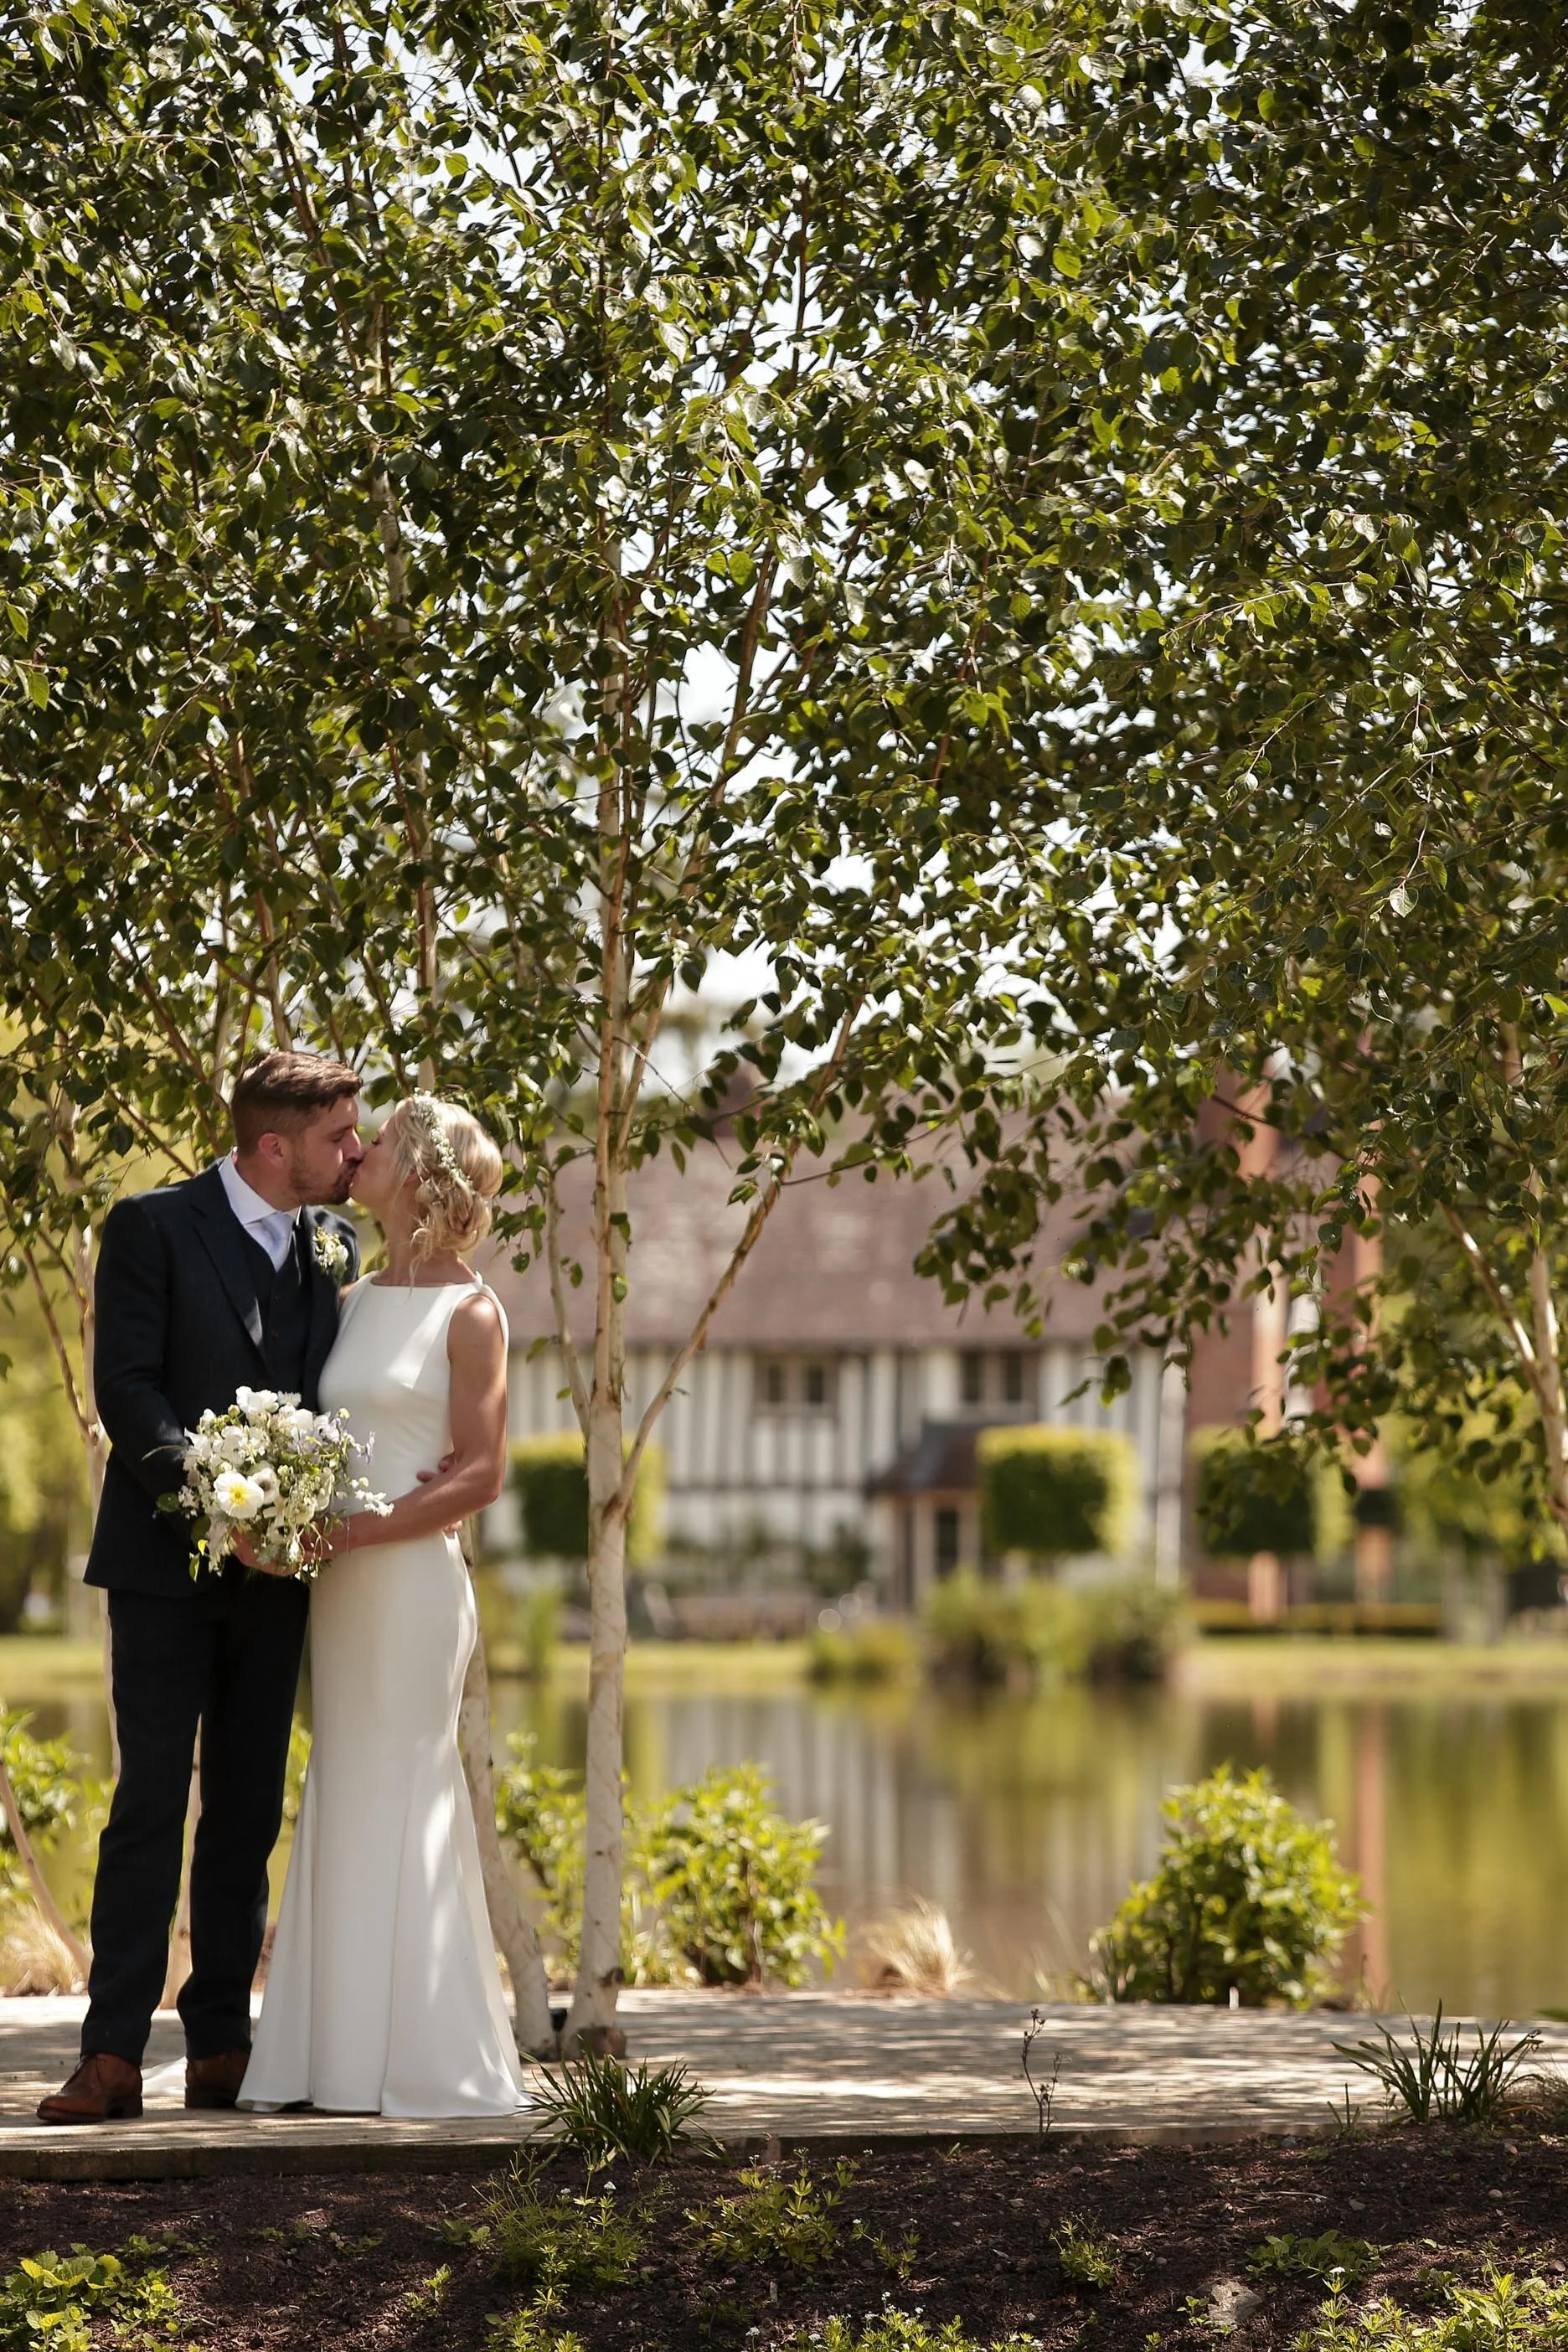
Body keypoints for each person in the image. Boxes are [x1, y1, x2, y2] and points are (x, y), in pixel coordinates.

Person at [38, 1051, 364, 2125]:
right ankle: (111, 2055)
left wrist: (293, 1522)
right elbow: (127, 1389)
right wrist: (223, 1510)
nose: (354, 1151)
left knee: (247, 1807)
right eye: (337, 1136)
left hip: (280, 1579)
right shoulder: (152, 1226)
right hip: (162, 1567)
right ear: (274, 1144)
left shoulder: (336, 1242)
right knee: (148, 1804)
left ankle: (222, 2043)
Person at [238, 1093, 526, 2116]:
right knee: (346, 1783)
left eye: (383, 1140)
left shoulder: (473, 1314)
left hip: (406, 1588)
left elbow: (482, 1472)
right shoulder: (352, 1298)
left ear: (425, 1175)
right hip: (340, 1590)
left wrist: (359, 1532)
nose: (358, 1151)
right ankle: (335, 2060)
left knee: (406, 1785)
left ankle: (425, 2060)